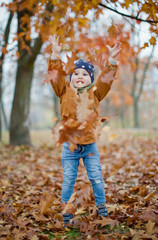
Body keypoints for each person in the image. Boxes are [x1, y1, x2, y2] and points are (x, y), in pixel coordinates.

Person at [47, 35, 121, 225]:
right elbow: (55, 76)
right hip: (69, 148)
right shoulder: (63, 90)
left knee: (96, 177)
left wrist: (111, 61)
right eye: (76, 73)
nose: (80, 76)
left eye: (84, 74)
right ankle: (67, 212)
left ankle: (102, 208)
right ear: (71, 77)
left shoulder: (95, 92)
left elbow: (106, 81)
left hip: (89, 147)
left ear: (90, 78)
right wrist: (55, 54)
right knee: (68, 180)